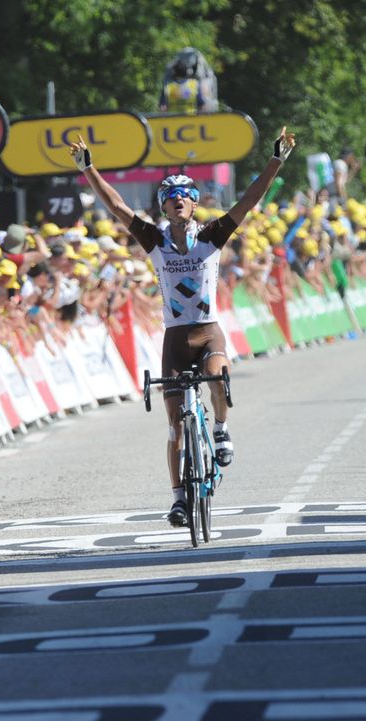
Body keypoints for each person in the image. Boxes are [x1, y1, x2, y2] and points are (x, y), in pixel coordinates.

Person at [71, 127, 296, 527]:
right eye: (170, 198)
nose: (177, 203)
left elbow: (247, 201)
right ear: (164, 207)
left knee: (217, 375)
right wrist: (89, 168)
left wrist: (275, 160)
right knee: (174, 424)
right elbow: (117, 205)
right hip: (175, 338)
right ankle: (178, 499)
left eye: (184, 197)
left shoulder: (211, 237)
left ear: (194, 204)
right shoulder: (154, 241)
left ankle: (222, 430)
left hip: (207, 331)